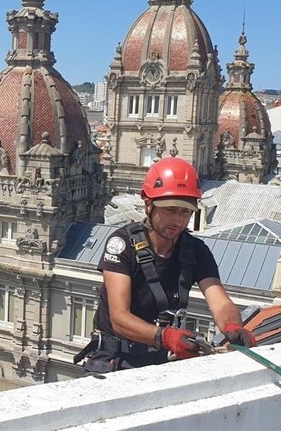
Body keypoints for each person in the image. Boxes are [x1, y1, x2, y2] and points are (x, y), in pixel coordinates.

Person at [76, 157, 256, 374]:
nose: (178, 221)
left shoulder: (195, 250)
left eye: (185, 211)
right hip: (115, 359)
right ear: (148, 205)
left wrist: (232, 327)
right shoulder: (123, 244)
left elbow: (220, 302)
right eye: (170, 210)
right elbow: (119, 318)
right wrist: (166, 336)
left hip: (161, 358)